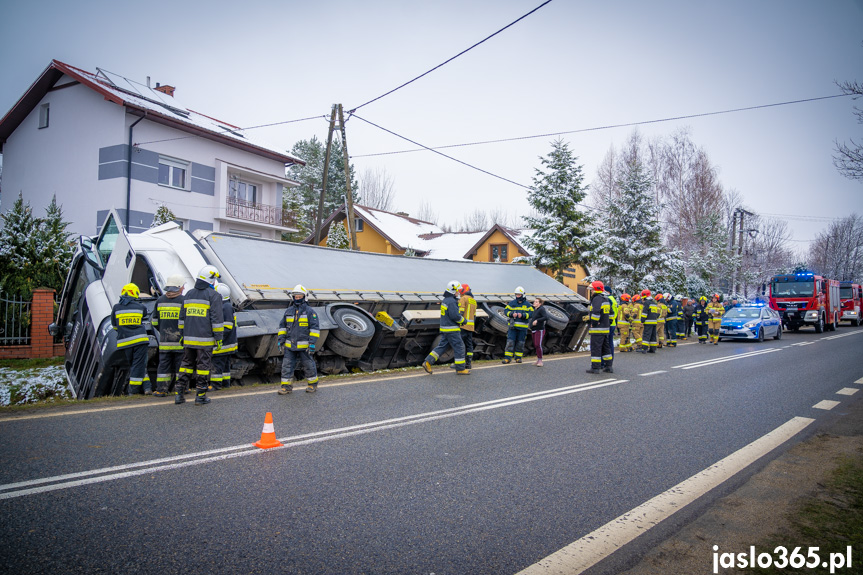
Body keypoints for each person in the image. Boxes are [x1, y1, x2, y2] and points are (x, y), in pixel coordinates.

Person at [176, 265, 224, 405]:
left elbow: (181, 317)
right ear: (210, 279)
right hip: (205, 340)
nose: (215, 282)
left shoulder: (189, 294)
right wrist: (219, 338)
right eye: (214, 279)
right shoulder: (214, 295)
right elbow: (216, 320)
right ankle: (200, 396)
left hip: (188, 339)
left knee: (185, 365)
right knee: (203, 368)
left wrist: (182, 334)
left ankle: (179, 395)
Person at [278, 284, 321, 393]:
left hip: (304, 346)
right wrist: (280, 340)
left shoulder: (310, 312)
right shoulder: (288, 311)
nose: (297, 299)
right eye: (295, 297)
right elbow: (282, 327)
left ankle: (312, 385)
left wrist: (312, 343)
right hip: (289, 346)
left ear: (304, 297)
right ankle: (286, 387)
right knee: (286, 367)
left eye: (299, 297)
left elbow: (315, 329)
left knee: (308, 366)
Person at [111, 283, 151, 395]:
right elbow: (146, 320)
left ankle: (147, 388)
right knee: (138, 365)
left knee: (136, 365)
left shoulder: (116, 308)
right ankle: (133, 391)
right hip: (140, 341)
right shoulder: (141, 307)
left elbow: (115, 326)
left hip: (125, 342)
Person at [423, 280, 469, 374]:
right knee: (460, 347)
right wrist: (463, 321)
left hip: (445, 328)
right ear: (453, 290)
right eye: (457, 290)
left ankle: (428, 362)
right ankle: (460, 369)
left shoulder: (446, 300)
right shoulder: (452, 302)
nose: (459, 292)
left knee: (441, 347)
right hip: (452, 329)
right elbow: (455, 316)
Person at [151, 275, 185, 397]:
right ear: (179, 288)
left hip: (164, 341)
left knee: (163, 366)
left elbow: (154, 322)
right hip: (180, 341)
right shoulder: (183, 301)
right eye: (183, 286)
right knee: (180, 366)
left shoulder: (160, 300)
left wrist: (164, 331)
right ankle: (181, 389)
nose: (184, 288)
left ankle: (161, 389)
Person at [210, 283, 238, 390]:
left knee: (218, 364)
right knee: (225, 366)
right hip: (228, 343)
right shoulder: (226, 305)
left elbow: (227, 326)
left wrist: (216, 336)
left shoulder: (225, 307)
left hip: (224, 344)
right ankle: (225, 384)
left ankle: (216, 386)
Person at [586, 281, 613, 373]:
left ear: (596, 289)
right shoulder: (606, 298)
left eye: (592, 289)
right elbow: (611, 313)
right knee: (606, 347)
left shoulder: (597, 299)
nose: (591, 291)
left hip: (597, 329)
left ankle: (595, 367)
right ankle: (608, 366)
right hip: (605, 328)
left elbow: (596, 312)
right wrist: (608, 322)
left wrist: (593, 322)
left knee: (596, 348)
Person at [502, 286, 533, 364]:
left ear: (523, 295)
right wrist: (512, 314)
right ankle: (507, 358)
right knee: (510, 342)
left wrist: (523, 315)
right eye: (516, 295)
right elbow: (505, 311)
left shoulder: (527, 304)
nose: (517, 296)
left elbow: (531, 313)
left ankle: (518, 358)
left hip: (522, 328)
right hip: (513, 327)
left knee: (520, 343)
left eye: (519, 295)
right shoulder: (512, 303)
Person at [458, 284, 477, 370]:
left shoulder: (463, 298)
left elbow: (460, 313)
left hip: (462, 326)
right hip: (471, 327)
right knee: (469, 345)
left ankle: (459, 363)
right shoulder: (473, 300)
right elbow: (474, 315)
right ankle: (468, 363)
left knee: (460, 344)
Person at [638, 289, 659, 353]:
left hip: (648, 322)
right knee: (653, 336)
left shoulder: (647, 303)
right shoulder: (654, 303)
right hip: (654, 322)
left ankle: (644, 349)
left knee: (646, 335)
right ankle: (653, 349)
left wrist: (642, 320)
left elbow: (644, 313)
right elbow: (657, 313)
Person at [530, 297, 549, 366]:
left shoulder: (541, 309)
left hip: (539, 329)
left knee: (538, 344)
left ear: (540, 304)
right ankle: (538, 360)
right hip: (534, 329)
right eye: (534, 301)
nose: (534, 303)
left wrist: (537, 321)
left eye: (536, 302)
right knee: (535, 344)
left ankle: (540, 361)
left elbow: (545, 317)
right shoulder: (535, 310)